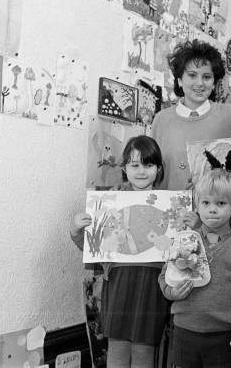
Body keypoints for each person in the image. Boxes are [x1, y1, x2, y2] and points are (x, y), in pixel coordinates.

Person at [70, 135, 170, 368]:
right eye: (135, 165)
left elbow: (183, 251)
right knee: (117, 349)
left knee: (144, 351)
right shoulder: (110, 202)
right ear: (124, 168)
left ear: (159, 168)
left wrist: (190, 226)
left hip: (152, 287)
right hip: (118, 284)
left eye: (148, 164)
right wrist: (76, 230)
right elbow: (93, 248)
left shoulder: (168, 204)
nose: (141, 171)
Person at [158, 169, 231, 368]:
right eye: (206, 203)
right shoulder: (185, 239)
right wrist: (172, 293)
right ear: (197, 206)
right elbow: (164, 276)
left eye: (221, 203)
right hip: (184, 330)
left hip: (222, 335)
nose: (212, 209)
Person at [151, 39, 231, 190]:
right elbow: (149, 167)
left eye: (206, 77)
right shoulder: (161, 120)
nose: (199, 83)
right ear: (179, 80)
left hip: (216, 211)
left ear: (214, 83)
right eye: (192, 75)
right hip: (170, 210)